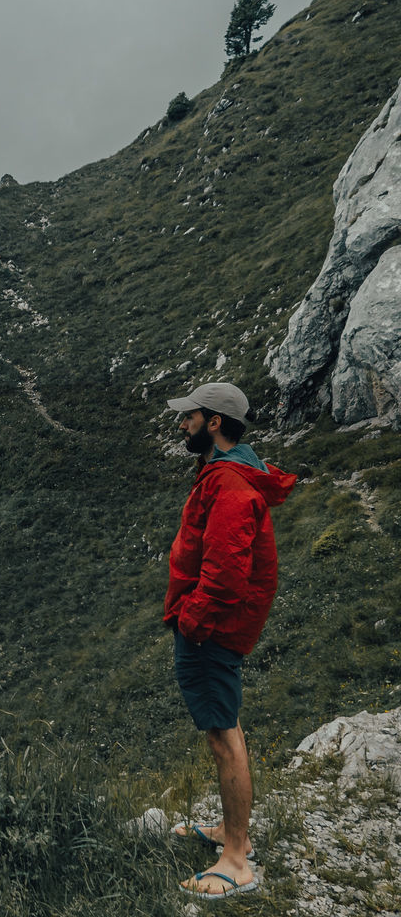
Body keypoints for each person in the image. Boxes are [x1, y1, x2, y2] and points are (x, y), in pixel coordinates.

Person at [161, 382, 296, 900]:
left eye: (189, 417)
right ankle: (228, 831)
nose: (183, 425)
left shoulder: (232, 488)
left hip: (212, 632)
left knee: (222, 735)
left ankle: (236, 859)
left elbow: (224, 578)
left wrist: (190, 622)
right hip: (216, 629)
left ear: (214, 421)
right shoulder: (232, 473)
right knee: (226, 725)